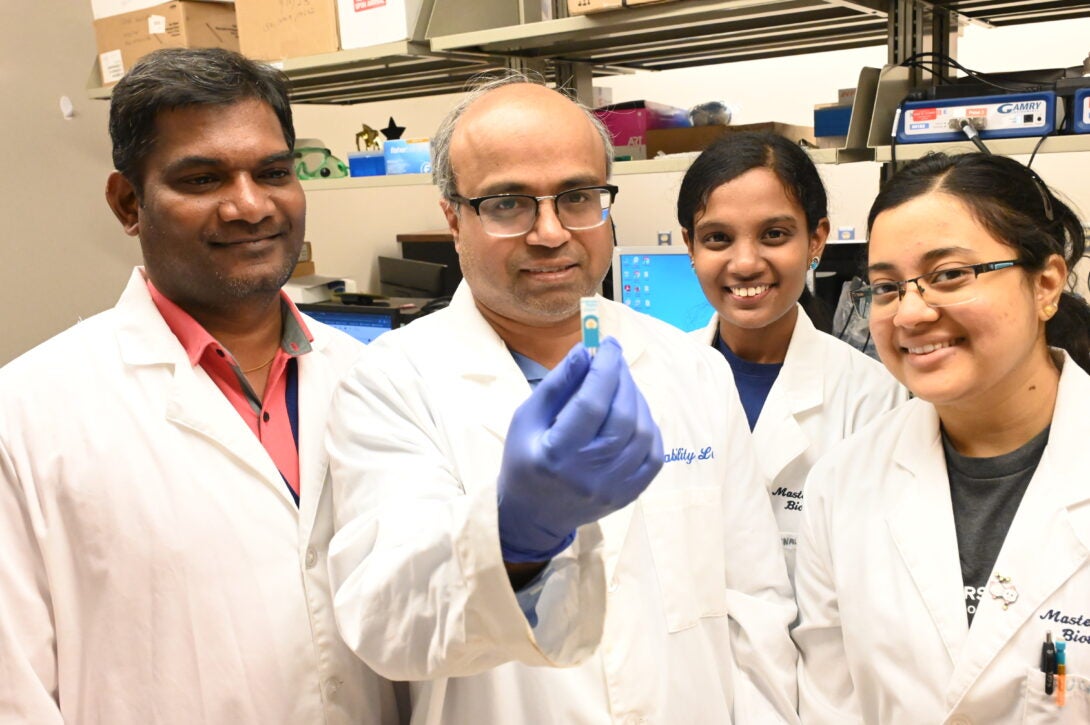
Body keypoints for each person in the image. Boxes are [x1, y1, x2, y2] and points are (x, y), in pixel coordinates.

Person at [326, 75, 799, 723]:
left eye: (577, 196)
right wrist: (515, 535)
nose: (550, 232)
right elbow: (389, 625)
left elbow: (756, 607)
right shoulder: (390, 382)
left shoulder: (692, 369)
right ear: (452, 218)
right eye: (507, 203)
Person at [0, 48, 399, 723]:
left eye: (273, 172)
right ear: (129, 203)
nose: (249, 205)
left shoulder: (373, 381)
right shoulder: (29, 414)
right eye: (203, 178)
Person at [793, 151, 1090, 722]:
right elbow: (832, 705)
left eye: (949, 275)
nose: (909, 313)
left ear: (1046, 284)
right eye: (885, 287)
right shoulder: (843, 482)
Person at [678, 131, 907, 578]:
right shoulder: (652, 381)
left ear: (816, 239)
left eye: (774, 234)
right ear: (690, 246)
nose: (744, 263)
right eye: (718, 238)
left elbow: (874, 584)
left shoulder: (875, 400)